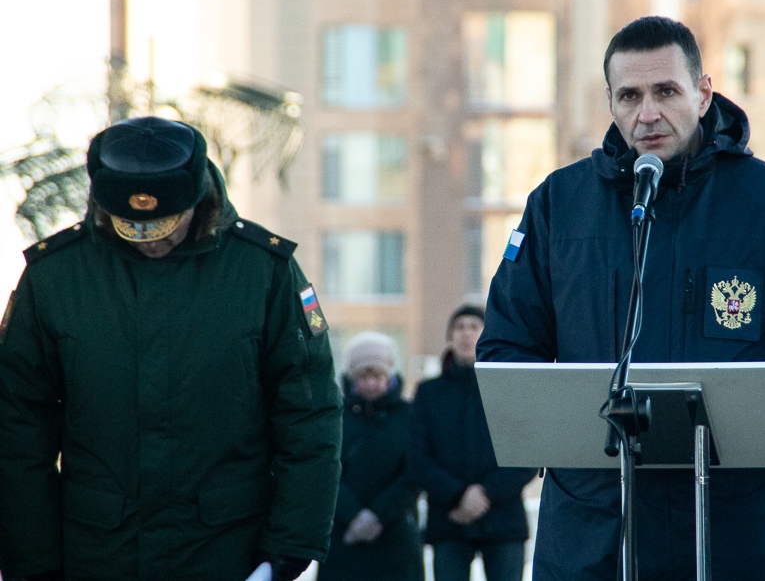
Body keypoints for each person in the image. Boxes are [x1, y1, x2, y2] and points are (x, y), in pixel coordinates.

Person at [476, 16, 765, 580]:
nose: (648, 113)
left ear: (702, 93)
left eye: (666, 91)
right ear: (610, 103)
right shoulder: (559, 205)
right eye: (629, 96)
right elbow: (506, 351)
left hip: (738, 534)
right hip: (595, 535)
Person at [0, 117, 342, 581]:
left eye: (165, 224)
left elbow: (309, 414)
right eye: (132, 227)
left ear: (198, 201)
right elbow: (18, 430)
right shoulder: (55, 277)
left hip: (226, 551)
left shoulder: (264, 270)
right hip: (99, 553)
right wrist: (31, 561)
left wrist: (289, 548)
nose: (153, 241)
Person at [407, 304, 537, 581]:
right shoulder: (429, 392)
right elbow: (417, 457)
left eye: (474, 327)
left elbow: (527, 455)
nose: (466, 334)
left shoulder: (508, 389)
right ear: (450, 336)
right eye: (459, 327)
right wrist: (458, 495)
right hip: (449, 518)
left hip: (503, 520)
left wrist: (485, 493)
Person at [317, 332, 423, 581]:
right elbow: (325, 471)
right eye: (363, 376)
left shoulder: (410, 416)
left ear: (390, 375)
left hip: (396, 536)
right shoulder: (335, 417)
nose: (371, 383)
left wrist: (377, 516)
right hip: (343, 537)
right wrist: (354, 516)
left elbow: (416, 471)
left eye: (378, 375)